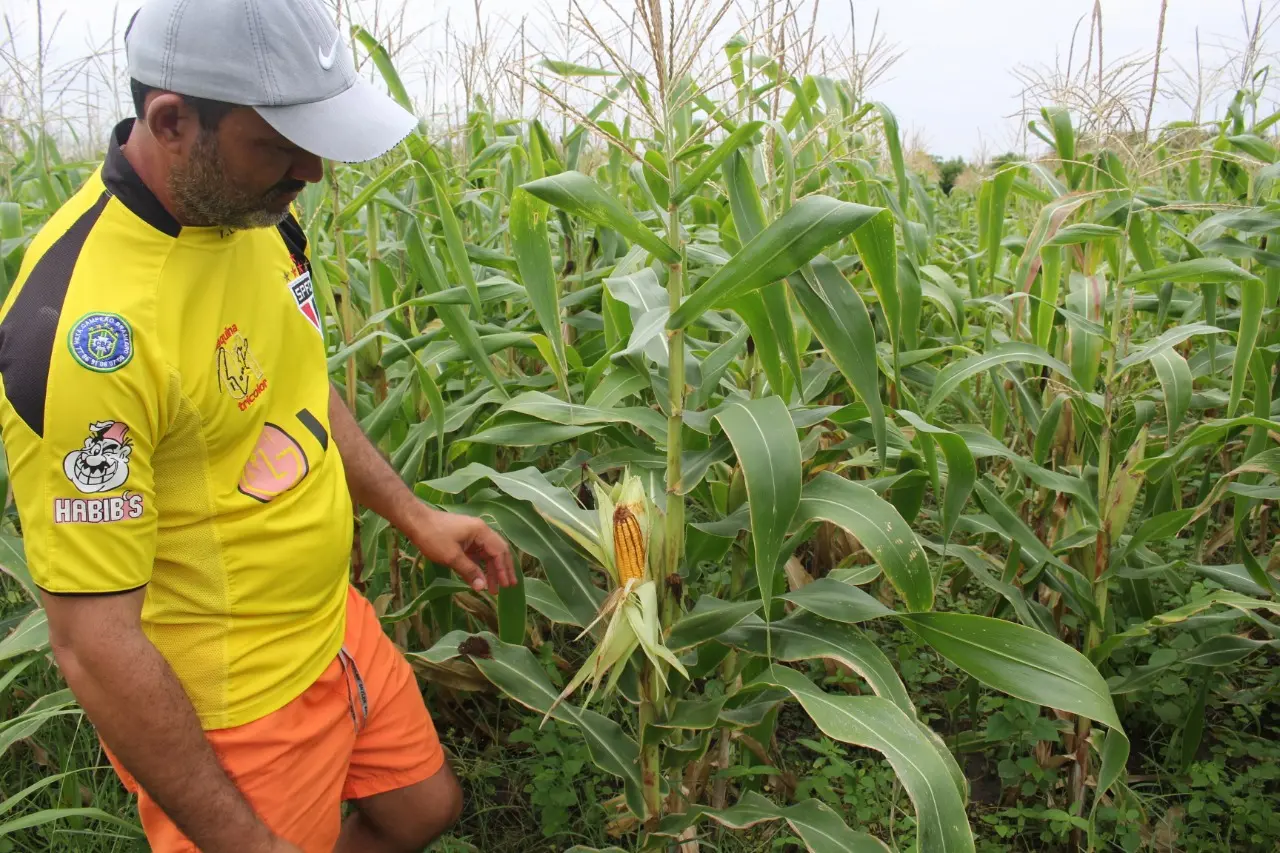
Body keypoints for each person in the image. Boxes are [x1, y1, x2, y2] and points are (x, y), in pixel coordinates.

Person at [0, 0, 518, 850]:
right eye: (279, 143)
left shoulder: (250, 212)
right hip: (236, 706)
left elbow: (297, 386)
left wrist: (414, 514)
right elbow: (95, 647)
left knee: (423, 810)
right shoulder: (87, 335)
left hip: (330, 624)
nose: (309, 170)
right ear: (172, 121)